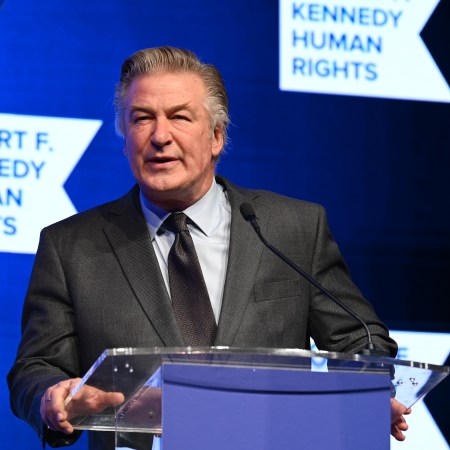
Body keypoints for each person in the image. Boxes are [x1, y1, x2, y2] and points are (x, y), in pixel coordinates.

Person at [7, 46, 410, 449]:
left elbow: (360, 336)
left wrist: (363, 394)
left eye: (179, 117)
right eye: (141, 118)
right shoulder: (71, 246)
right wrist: (51, 398)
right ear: (125, 138)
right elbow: (35, 367)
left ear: (217, 136)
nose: (159, 136)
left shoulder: (292, 229)